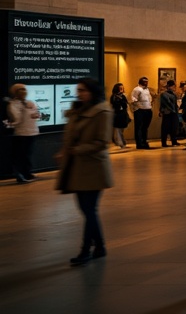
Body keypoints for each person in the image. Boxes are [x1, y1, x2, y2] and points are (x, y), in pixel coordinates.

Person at [57, 77, 112, 265]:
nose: (79, 94)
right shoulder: (77, 110)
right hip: (77, 167)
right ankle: (99, 246)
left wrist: (76, 150)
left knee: (89, 210)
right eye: (78, 90)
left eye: (82, 90)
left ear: (92, 91)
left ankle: (86, 249)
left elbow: (102, 142)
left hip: (93, 167)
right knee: (86, 209)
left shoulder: (103, 111)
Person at [6, 84, 42, 182]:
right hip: (21, 134)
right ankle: (20, 176)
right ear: (15, 92)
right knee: (20, 156)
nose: (23, 91)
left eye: (24, 89)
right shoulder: (13, 104)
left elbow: (37, 114)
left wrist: (35, 113)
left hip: (32, 132)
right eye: (20, 89)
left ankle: (28, 173)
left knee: (28, 155)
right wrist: (24, 111)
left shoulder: (30, 102)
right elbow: (16, 119)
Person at [130, 76, 153, 149]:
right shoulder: (137, 89)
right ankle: (139, 143)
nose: (146, 83)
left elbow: (149, 98)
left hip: (148, 109)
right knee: (139, 127)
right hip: (140, 110)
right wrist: (137, 108)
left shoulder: (147, 90)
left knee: (145, 127)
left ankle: (144, 141)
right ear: (140, 82)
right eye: (144, 81)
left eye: (147, 81)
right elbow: (133, 99)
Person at [108, 83, 130, 150]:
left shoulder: (123, 96)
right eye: (120, 88)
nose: (122, 90)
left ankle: (122, 142)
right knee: (117, 130)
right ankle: (121, 143)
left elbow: (125, 105)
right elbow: (113, 105)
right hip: (117, 114)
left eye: (122, 88)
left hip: (123, 114)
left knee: (121, 130)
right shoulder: (113, 96)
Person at [158, 79, 180, 148]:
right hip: (168, 112)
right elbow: (167, 103)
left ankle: (174, 140)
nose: (174, 87)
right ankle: (164, 142)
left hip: (173, 112)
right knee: (165, 128)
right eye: (173, 86)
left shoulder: (173, 94)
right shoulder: (164, 94)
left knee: (174, 127)